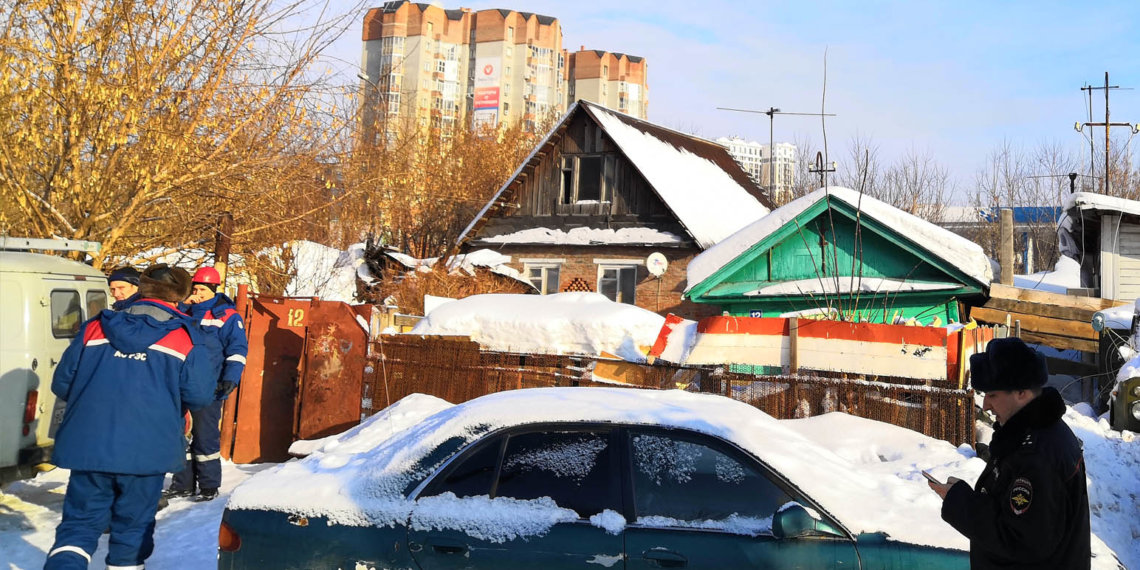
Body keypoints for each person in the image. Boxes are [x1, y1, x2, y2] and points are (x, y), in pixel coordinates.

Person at [45, 265, 217, 570]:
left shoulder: (96, 327)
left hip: (89, 446)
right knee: (132, 533)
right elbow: (201, 396)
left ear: (143, 287)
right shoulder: (187, 338)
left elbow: (62, 383)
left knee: (78, 528)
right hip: (147, 451)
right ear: (180, 296)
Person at [928, 337, 1090, 569]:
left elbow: (1023, 541)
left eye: (992, 395)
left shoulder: (1037, 455)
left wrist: (959, 502)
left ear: (1022, 393)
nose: (985, 406)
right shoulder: (1030, 432)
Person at [166, 266, 248, 502]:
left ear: (213, 289)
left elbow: (237, 350)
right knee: (180, 434)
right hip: (181, 385)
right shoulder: (184, 312)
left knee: (205, 436)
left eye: (202, 289)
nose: (197, 293)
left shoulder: (227, 316)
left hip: (209, 387)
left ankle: (209, 485)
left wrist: (230, 378)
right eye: (195, 288)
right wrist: (183, 306)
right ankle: (182, 483)